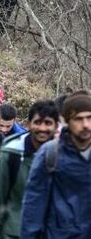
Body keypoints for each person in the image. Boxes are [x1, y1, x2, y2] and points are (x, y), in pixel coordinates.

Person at [0, 100, 59, 239]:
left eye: (47, 123)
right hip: (15, 233)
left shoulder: (64, 156)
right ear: (28, 125)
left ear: (56, 126)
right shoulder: (13, 153)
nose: (42, 128)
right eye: (37, 122)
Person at [21, 92, 91, 238]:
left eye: (89, 118)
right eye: (79, 119)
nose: (85, 125)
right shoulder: (50, 153)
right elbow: (33, 207)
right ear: (67, 121)